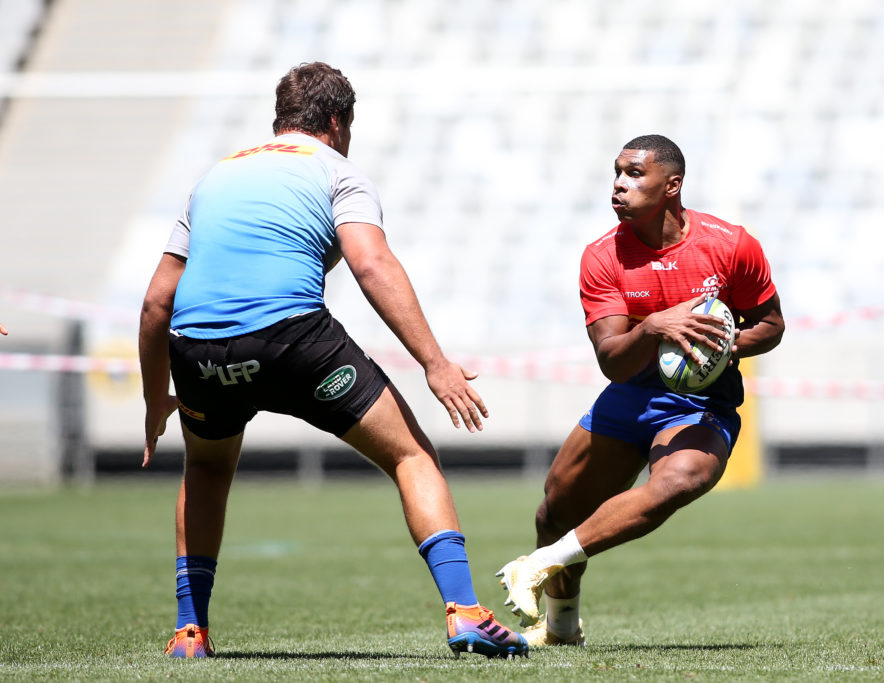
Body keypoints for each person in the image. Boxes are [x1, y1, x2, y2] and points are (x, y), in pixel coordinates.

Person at [139, 62, 526, 660]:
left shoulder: (214, 176)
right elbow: (371, 264)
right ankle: (465, 612)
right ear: (338, 122)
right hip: (293, 340)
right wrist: (435, 364)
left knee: (207, 470)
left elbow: (157, 300)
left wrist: (154, 396)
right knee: (411, 455)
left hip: (198, 350)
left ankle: (191, 632)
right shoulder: (337, 170)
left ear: (280, 119)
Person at [496, 134, 784, 647]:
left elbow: (772, 324)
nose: (618, 185)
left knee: (679, 481)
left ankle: (541, 564)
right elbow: (612, 360)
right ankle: (562, 629)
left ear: (672, 185)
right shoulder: (603, 256)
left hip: (701, 402)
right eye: (617, 173)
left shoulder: (731, 244)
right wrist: (653, 328)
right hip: (630, 394)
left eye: (633, 175)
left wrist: (724, 345)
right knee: (555, 512)